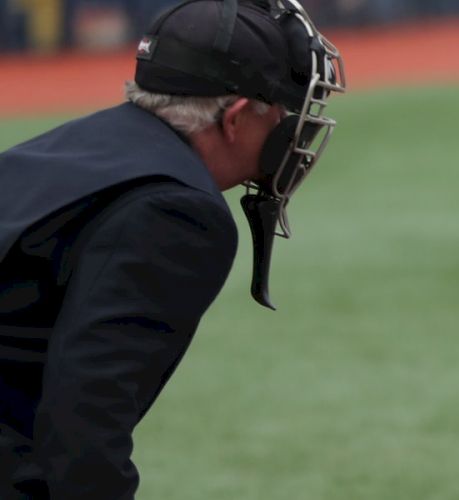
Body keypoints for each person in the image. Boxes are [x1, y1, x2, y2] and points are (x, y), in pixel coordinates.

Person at [0, 0, 344, 497]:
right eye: (284, 112)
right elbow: (85, 416)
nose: (292, 131)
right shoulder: (178, 211)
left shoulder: (85, 143)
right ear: (236, 117)